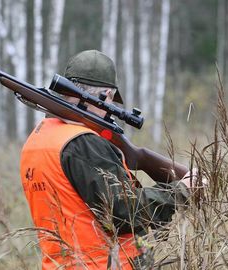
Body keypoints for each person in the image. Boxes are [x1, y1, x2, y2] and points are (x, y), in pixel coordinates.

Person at [20, 50, 196, 270]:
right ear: (106, 95)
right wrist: (180, 191)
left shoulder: (38, 139)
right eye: (111, 98)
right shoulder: (83, 143)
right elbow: (123, 212)